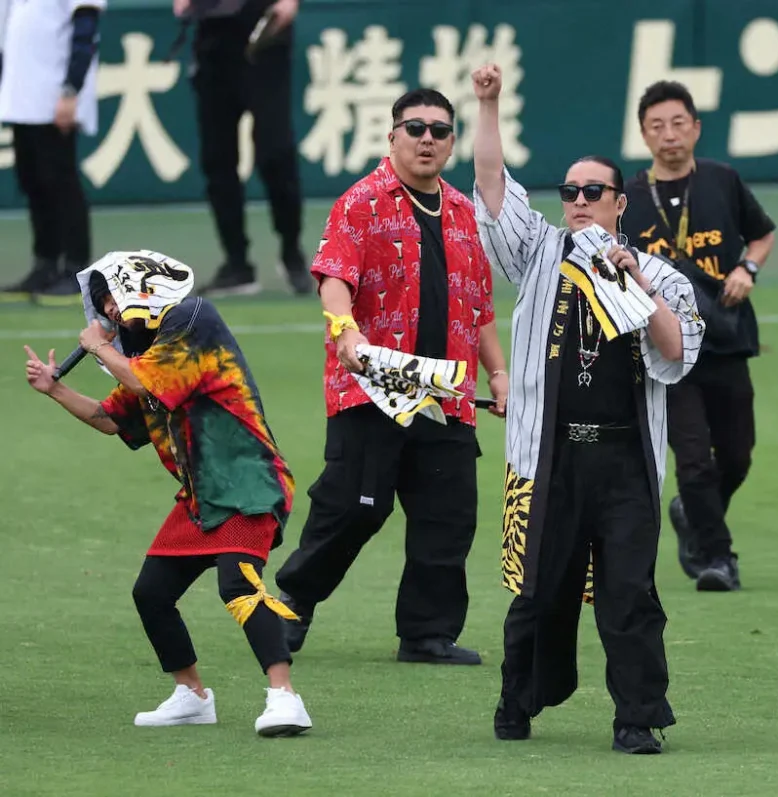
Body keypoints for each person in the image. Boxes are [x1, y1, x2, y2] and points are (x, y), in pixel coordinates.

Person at [472, 63, 705, 754]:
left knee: (629, 594)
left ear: (619, 201)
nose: (578, 201)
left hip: (625, 458)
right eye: (570, 191)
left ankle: (636, 717)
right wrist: (489, 103)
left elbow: (678, 352)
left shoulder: (657, 275)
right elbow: (490, 186)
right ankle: (517, 701)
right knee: (538, 590)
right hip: (548, 457)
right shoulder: (542, 252)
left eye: (592, 191)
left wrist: (636, 286)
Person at [22, 250, 312, 736]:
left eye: (110, 298)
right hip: (202, 495)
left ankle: (285, 698)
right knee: (152, 592)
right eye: (101, 305)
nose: (109, 312)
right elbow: (113, 420)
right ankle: (193, 695)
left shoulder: (191, 318)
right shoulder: (143, 354)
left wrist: (98, 348)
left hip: (247, 481)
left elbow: (144, 382)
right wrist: (55, 391)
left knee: (237, 583)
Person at [274, 87, 508, 666]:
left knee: (447, 516)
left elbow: (477, 308)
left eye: (438, 130)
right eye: (415, 128)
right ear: (392, 136)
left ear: (452, 142)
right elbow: (333, 275)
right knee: (353, 507)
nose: (426, 138)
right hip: (374, 385)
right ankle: (291, 605)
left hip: (444, 392)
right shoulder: (362, 202)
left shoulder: (461, 212)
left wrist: (498, 372)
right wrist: (345, 330)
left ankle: (427, 634)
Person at [622, 80, 776, 592]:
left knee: (737, 454)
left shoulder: (722, 180)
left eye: (678, 123)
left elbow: (763, 232)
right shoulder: (629, 199)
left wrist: (748, 268)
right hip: (667, 350)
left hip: (726, 338)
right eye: (656, 126)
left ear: (696, 128)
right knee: (692, 457)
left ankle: (692, 512)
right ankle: (717, 557)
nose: (669, 135)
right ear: (643, 134)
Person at [171, 0, 313, 297]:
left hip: (265, 34)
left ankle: (291, 253)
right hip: (213, 39)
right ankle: (237, 265)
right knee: (217, 160)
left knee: (276, 153)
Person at [0, 0, 104, 305]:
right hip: (20, 95)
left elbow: (85, 29)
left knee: (60, 181)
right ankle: (45, 264)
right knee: (33, 181)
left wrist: (71, 89)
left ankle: (76, 270)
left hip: (54, 95)